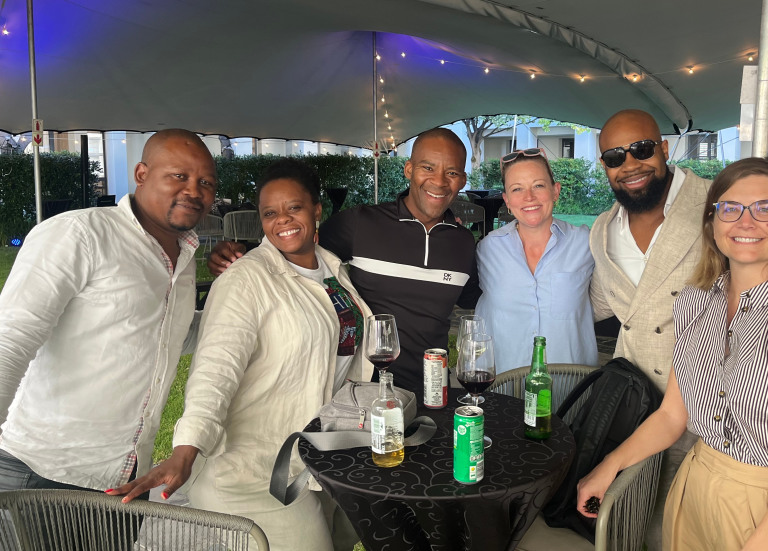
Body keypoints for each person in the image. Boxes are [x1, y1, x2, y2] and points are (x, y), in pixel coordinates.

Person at [584, 109, 768, 549]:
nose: (745, 222)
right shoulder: (691, 298)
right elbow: (671, 412)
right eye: (614, 156)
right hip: (690, 473)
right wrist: (608, 465)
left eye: (765, 209)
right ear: (714, 224)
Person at [109, 159, 373, 551]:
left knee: (342, 538)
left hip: (319, 456)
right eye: (270, 212)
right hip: (252, 471)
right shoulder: (246, 279)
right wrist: (186, 448)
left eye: (294, 208)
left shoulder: (333, 270)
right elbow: (216, 369)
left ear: (317, 210)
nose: (282, 219)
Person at [0, 130, 216, 515]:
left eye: (205, 182)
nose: (194, 190)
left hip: (125, 480)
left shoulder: (183, 256)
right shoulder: (80, 234)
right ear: (141, 173)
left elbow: (168, 335)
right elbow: (7, 339)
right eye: (178, 176)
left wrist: (237, 299)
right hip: (37, 472)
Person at [208, 128, 479, 394]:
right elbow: (296, 248)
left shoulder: (464, 243)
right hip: (362, 391)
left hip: (433, 388)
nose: (440, 181)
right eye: (428, 168)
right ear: (408, 169)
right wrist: (240, 253)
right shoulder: (362, 223)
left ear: (463, 180)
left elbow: (476, 302)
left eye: (452, 172)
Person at [474, 148, 596, 373]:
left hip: (570, 391)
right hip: (505, 389)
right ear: (507, 200)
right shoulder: (488, 249)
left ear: (555, 191)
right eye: (517, 189)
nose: (528, 197)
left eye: (538, 185)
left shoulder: (586, 243)